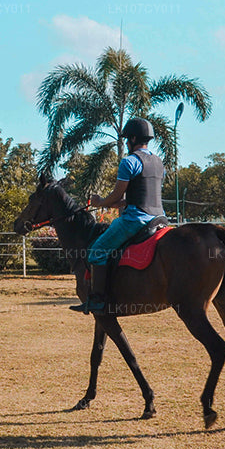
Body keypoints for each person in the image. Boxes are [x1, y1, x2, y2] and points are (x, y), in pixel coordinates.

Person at [71, 117, 166, 314]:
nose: (126, 142)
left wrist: (100, 202)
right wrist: (121, 203)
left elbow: (116, 194)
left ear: (133, 138)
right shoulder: (159, 163)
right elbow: (143, 194)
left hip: (135, 220)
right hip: (159, 219)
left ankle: (97, 299)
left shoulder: (129, 162)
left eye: (127, 139)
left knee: (97, 251)